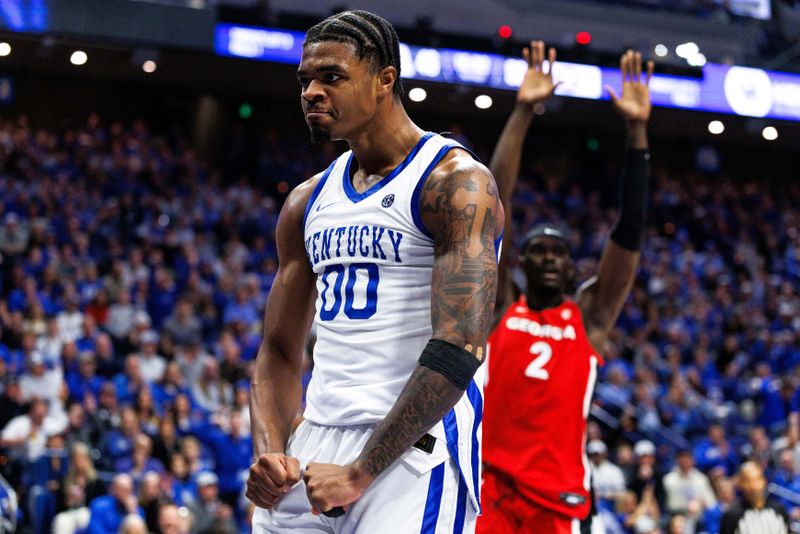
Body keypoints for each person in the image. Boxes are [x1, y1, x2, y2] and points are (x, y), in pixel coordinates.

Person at [246, 9, 503, 533]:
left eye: (332, 77)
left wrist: (362, 471)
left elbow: (460, 346)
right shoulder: (305, 201)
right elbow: (277, 349)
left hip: (412, 450)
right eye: (305, 80)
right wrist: (271, 451)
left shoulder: (455, 183)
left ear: (386, 79)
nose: (312, 92)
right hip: (314, 443)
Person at [479, 42, 653, 533]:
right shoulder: (499, 307)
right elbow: (495, 198)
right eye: (538, 250)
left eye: (560, 252)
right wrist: (521, 110)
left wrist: (637, 133)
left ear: (575, 272)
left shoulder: (589, 318)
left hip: (559, 499)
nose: (550, 257)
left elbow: (630, 232)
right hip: (490, 488)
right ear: (520, 263)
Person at [720, 461, 789, 534]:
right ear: (740, 484)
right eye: (747, 481)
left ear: (764, 481)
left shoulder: (779, 510)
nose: (753, 486)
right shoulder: (732, 515)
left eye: (757, 479)